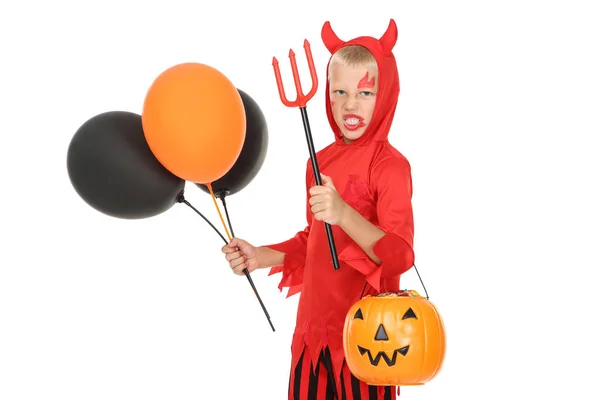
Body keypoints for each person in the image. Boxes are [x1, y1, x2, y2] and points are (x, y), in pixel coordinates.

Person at [222, 19, 415, 400]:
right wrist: (260, 256)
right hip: (314, 335)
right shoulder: (318, 161)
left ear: (387, 93)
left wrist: (344, 213)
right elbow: (316, 240)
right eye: (339, 91)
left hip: (368, 338)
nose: (349, 105)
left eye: (364, 93)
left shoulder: (390, 165)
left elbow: (399, 256)